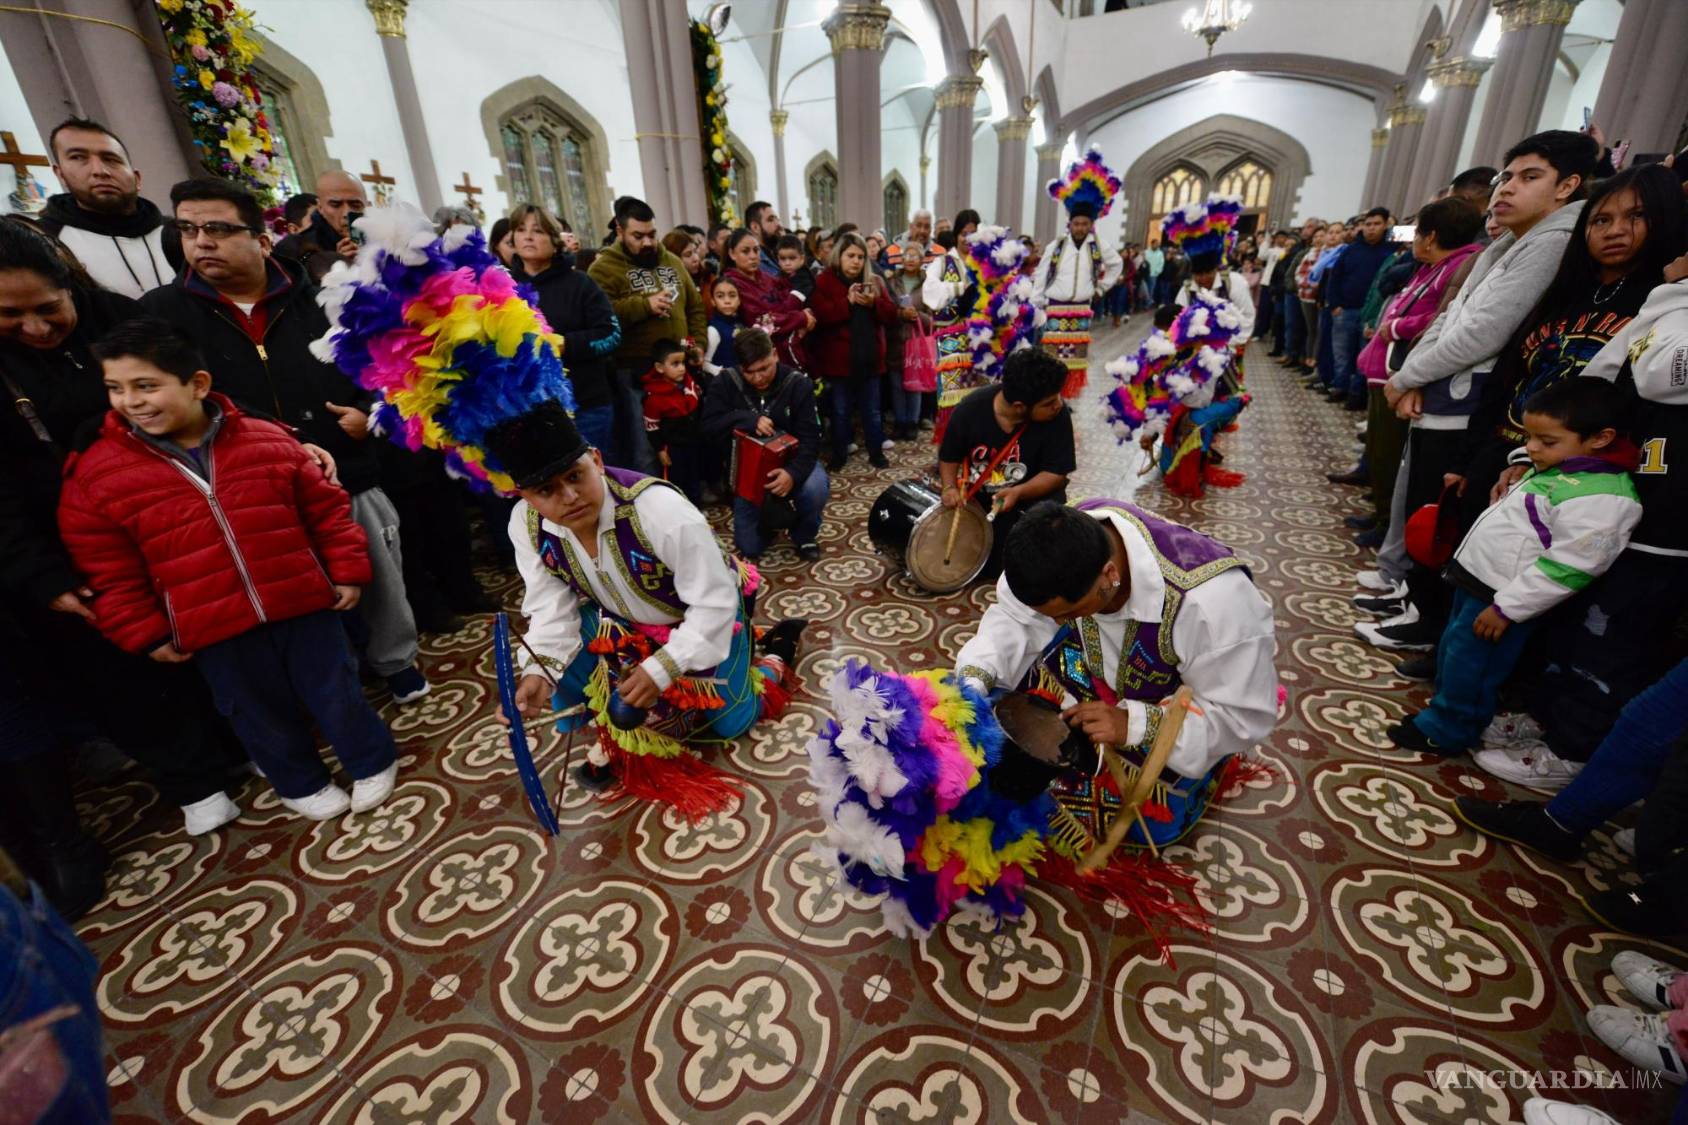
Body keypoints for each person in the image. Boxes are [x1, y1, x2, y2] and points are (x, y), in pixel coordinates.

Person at [59, 319, 399, 820]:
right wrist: (146, 631)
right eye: (116, 388)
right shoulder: (99, 474)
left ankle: (370, 760)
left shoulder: (267, 440)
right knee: (254, 712)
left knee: (336, 688)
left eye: (146, 385)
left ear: (196, 384)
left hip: (302, 601)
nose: (131, 401)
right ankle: (300, 782)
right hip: (212, 626)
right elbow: (108, 567)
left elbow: (326, 511)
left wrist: (346, 570)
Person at [0, 220, 244, 914]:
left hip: (169, 515)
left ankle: (235, 743)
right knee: (123, 668)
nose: (36, 327)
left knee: (207, 633)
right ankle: (192, 776)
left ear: (71, 282)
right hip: (63, 545)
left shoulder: (120, 321)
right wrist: (38, 574)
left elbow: (201, 398)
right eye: (10, 315)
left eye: (49, 308)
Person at [490, 399, 806, 796]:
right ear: (524, 496)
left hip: (709, 612)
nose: (569, 497)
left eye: (576, 475)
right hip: (624, 619)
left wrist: (663, 668)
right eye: (546, 489)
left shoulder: (659, 510)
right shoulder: (526, 524)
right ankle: (650, 700)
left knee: (733, 722)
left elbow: (714, 602)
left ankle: (772, 652)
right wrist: (538, 673)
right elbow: (550, 604)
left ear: (597, 460)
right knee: (561, 662)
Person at [1368, 130, 1598, 656]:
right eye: (1507, 177)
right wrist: (1418, 374)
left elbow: (1484, 332)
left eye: (1529, 177)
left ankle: (1427, 623)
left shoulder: (1551, 244)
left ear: (1568, 186)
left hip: (1470, 404)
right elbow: (1453, 316)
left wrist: (1406, 377)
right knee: (1425, 503)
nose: (1507, 189)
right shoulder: (1510, 244)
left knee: (1444, 512)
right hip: (1443, 391)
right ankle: (1414, 602)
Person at [1480, 244, 1688, 788]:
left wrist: (1675, 292)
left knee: (1610, 648)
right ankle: (1550, 720)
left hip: (1664, 526)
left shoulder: (1672, 306)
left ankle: (1573, 749)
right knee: (1573, 630)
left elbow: (1664, 371)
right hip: (1609, 488)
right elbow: (1604, 378)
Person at [1388, 379, 1641, 755]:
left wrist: (1508, 608)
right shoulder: (1567, 467)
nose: (1531, 448)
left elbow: (1568, 568)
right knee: (1455, 654)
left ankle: (1448, 730)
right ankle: (1442, 713)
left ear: (1601, 438)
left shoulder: (1604, 497)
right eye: (1530, 437)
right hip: (1479, 581)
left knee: (1474, 668)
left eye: (1546, 442)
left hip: (1502, 599)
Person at [954, 500, 1277, 792]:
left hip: (1177, 707)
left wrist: (1135, 724)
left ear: (1109, 575)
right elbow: (1016, 618)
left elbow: (1240, 718)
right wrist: (976, 678)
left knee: (1135, 808)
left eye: (1069, 613)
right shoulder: (1054, 546)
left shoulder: (1211, 605)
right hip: (1100, 667)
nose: (1057, 624)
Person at [1351, 196, 1485, 605]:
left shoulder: (1461, 266)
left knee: (1398, 466)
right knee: (1383, 454)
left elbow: (1438, 321)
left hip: (1411, 379)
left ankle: (1397, 557)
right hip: (1388, 373)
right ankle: (1383, 525)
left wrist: (1396, 327)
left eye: (1417, 231)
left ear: (1431, 236)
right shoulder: (1429, 268)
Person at [588, 195, 706, 474]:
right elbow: (601, 319)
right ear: (619, 231)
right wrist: (644, 306)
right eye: (638, 236)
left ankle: (687, 498)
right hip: (636, 373)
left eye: (652, 234)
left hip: (679, 367)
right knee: (645, 448)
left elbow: (695, 307)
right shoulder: (603, 268)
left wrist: (698, 343)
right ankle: (650, 510)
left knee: (685, 439)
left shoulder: (672, 261)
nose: (648, 242)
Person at [938, 349, 1076, 580]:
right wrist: (949, 488)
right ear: (1020, 406)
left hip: (1034, 505)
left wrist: (1019, 491)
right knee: (976, 564)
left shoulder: (1057, 416)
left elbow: (1056, 473)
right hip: (983, 506)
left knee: (1041, 563)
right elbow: (949, 456)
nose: (1058, 405)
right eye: (1050, 402)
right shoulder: (970, 410)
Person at [699, 327, 827, 561]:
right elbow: (708, 426)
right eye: (750, 372)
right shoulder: (725, 383)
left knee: (815, 487)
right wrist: (746, 419)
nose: (758, 378)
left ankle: (804, 534)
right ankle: (772, 522)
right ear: (739, 367)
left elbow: (812, 438)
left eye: (764, 368)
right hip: (747, 471)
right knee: (749, 547)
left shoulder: (798, 384)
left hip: (793, 461)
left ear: (775, 355)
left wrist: (793, 473)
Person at [511, 203, 622, 455]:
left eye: (537, 230)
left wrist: (565, 344)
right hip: (529, 409)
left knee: (593, 482)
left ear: (554, 240)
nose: (528, 236)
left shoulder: (580, 284)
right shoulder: (505, 289)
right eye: (520, 229)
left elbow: (611, 334)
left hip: (586, 406)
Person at [39, 118, 175, 298]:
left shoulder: (176, 231)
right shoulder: (45, 242)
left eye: (111, 159)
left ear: (137, 178)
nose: (100, 170)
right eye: (78, 157)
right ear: (60, 174)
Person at [1035, 148, 1124, 399]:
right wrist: (1037, 304)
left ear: (1091, 224)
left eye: (1085, 223)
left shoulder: (1098, 246)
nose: (1081, 228)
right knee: (1053, 356)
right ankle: (1051, 394)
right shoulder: (1057, 246)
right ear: (1070, 223)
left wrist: (1100, 288)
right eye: (1077, 223)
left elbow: (1117, 265)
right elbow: (1041, 275)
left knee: (1074, 358)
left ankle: (1068, 396)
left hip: (1081, 309)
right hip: (1055, 308)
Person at [809, 232, 898, 471]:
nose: (856, 261)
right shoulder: (825, 280)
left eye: (860, 256)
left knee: (872, 411)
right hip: (840, 362)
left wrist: (873, 304)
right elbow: (820, 315)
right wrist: (846, 303)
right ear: (840, 255)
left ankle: (876, 452)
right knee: (840, 412)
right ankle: (839, 455)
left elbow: (892, 314)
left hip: (869, 359)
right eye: (851, 256)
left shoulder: (874, 280)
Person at [1322, 206, 1395, 408]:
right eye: (1368, 224)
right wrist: (1335, 304)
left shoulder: (1392, 249)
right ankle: (1340, 387)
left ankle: (1357, 394)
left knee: (1364, 356)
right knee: (1342, 352)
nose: (1371, 228)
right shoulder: (1351, 250)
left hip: (1371, 314)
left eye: (1377, 224)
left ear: (1386, 225)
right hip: (1345, 310)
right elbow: (1335, 278)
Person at [721, 227, 812, 369]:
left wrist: (806, 314)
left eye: (756, 250)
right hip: (762, 358)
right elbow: (759, 321)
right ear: (732, 254)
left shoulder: (767, 277)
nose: (753, 256)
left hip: (790, 347)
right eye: (745, 251)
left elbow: (788, 300)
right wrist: (801, 318)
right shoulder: (730, 284)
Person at [272, 168, 366, 283]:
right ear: (320, 207)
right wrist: (335, 265)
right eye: (336, 205)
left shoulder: (384, 240)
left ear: (366, 205)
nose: (347, 213)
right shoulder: (294, 248)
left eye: (355, 205)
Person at [641, 338, 704, 502]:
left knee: (695, 476)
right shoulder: (654, 398)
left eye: (683, 363)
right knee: (678, 482)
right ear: (660, 367)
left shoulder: (688, 382)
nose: (682, 368)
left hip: (693, 441)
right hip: (674, 448)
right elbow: (652, 427)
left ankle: (696, 507)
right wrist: (660, 450)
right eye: (675, 364)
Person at [883, 238, 931, 440]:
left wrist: (917, 316)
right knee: (896, 384)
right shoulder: (891, 281)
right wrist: (899, 313)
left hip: (916, 342)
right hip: (894, 339)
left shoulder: (929, 284)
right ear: (901, 258)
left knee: (915, 384)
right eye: (907, 255)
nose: (910, 259)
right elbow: (885, 309)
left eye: (915, 256)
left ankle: (912, 422)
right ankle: (900, 421)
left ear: (922, 260)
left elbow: (932, 318)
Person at [701, 273, 742, 377]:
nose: (727, 301)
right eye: (720, 296)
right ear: (713, 301)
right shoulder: (713, 330)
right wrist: (722, 372)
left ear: (739, 300)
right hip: (724, 383)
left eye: (732, 295)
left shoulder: (741, 324)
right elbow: (703, 363)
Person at [744, 200, 783, 277]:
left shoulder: (777, 253)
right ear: (755, 227)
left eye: (777, 219)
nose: (778, 224)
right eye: (770, 220)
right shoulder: (753, 262)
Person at [775, 233, 813, 301]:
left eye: (792, 258)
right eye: (783, 258)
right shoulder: (777, 277)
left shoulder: (805, 280)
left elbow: (792, 303)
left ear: (802, 259)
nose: (787, 263)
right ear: (778, 259)